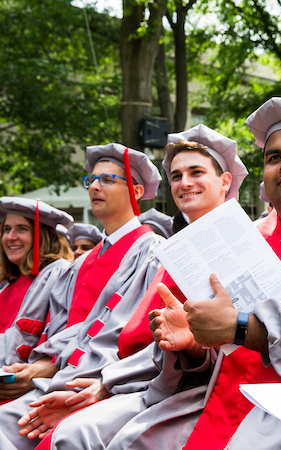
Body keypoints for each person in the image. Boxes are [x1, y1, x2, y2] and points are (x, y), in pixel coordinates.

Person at [44, 98, 281, 450]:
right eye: (274, 157)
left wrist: (238, 327)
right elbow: (225, 351)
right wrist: (194, 345)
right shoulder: (250, 235)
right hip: (221, 396)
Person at [28, 123, 250, 448]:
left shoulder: (238, 244)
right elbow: (108, 328)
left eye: (196, 172)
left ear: (225, 181)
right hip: (134, 373)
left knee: (75, 434)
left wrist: (106, 382)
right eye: (176, 176)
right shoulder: (177, 251)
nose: (184, 183)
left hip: (186, 383)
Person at [0, 144, 163, 449]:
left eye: (108, 180)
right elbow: (59, 329)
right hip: (60, 377)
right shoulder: (79, 264)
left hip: (108, 383)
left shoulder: (151, 250)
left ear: (137, 190)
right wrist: (43, 366)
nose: (95, 186)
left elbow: (133, 331)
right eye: (91, 180)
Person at [0, 198, 74, 374]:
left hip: (26, 381)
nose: (11, 237)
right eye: (6, 229)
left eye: (22, 229)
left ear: (42, 235)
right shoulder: (7, 283)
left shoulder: (59, 273)